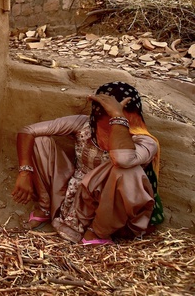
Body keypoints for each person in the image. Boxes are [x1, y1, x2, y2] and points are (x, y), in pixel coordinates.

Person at [12, 81, 162, 245]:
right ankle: (45, 208)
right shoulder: (84, 124)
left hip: (107, 208)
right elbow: (27, 131)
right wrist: (25, 172)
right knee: (39, 141)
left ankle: (96, 234)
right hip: (74, 194)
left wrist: (117, 117)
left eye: (115, 122)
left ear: (130, 119)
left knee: (125, 170)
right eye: (103, 123)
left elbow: (122, 159)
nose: (106, 131)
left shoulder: (145, 141)